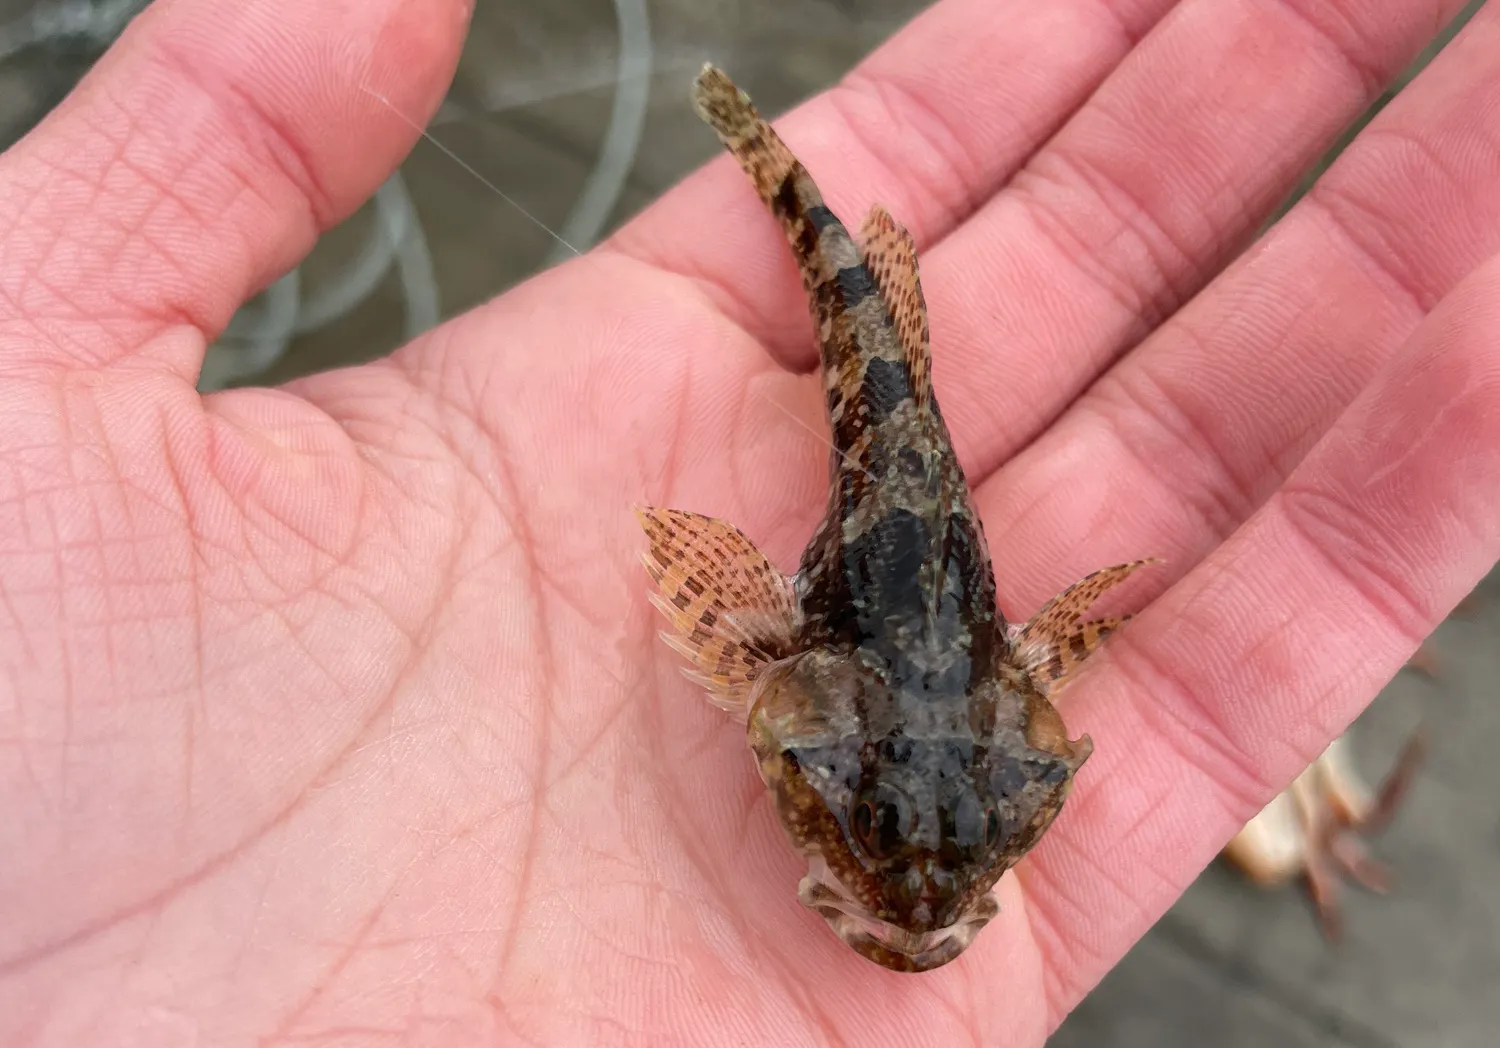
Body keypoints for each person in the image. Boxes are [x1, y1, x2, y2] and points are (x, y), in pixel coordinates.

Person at [1, 0, 1496, 1043]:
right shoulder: (901, 680)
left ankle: (782, 169)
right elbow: (801, 600)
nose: (918, 908)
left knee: (876, 330)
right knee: (851, 298)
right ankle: (773, 166)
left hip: (917, 571)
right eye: (912, 862)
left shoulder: (906, 687)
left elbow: (788, 595)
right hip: (894, 519)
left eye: (947, 868)